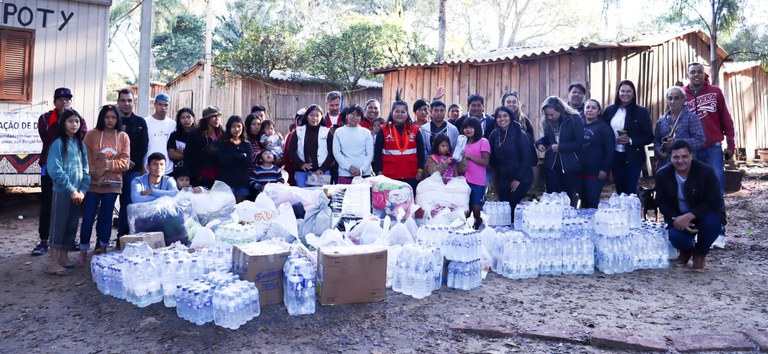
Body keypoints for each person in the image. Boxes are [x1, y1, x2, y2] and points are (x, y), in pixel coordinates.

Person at [684, 62, 735, 249]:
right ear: (688, 75)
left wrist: (731, 143)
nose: (696, 75)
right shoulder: (682, 94)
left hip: (713, 147)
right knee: (692, 191)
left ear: (703, 74)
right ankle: (697, 231)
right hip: (691, 151)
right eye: (692, 72)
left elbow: (726, 119)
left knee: (716, 189)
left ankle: (719, 232)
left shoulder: (715, 92)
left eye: (699, 72)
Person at [655, 140, 726, 271]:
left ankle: (700, 253)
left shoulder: (706, 171)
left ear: (691, 155)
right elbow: (661, 202)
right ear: (670, 157)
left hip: (702, 214)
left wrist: (689, 216)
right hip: (678, 215)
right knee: (677, 238)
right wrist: (676, 218)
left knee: (713, 224)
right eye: (676, 157)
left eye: (684, 156)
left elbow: (714, 200)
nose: (680, 160)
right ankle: (686, 251)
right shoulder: (662, 174)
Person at [34, 87, 88, 256]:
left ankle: (67, 242)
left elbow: (81, 135)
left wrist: (68, 119)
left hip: (72, 171)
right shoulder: (45, 118)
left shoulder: (78, 119)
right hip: (50, 167)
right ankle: (44, 240)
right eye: (60, 99)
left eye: (67, 99)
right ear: (54, 101)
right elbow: (49, 137)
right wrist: (61, 120)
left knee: (71, 207)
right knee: (48, 203)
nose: (64, 102)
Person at [80, 105, 130, 257]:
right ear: (102, 118)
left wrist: (106, 166)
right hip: (93, 184)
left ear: (118, 119)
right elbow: (85, 159)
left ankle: (102, 248)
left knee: (106, 218)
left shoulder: (123, 136)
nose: (110, 120)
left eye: (113, 117)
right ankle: (83, 250)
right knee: (88, 217)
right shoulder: (91, 135)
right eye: (107, 117)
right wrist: (96, 175)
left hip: (112, 184)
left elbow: (125, 162)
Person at [46, 109, 90, 275]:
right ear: (63, 123)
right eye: (70, 121)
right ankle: (53, 263)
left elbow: (86, 170)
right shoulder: (58, 144)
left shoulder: (80, 144)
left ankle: (64, 258)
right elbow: (55, 170)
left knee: (71, 226)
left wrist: (82, 191)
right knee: (58, 226)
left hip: (78, 194)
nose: (74, 125)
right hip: (63, 192)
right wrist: (71, 190)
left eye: (77, 122)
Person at [602, 80, 653, 195]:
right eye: (622, 91)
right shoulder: (610, 110)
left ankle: (633, 211)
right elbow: (603, 131)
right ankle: (622, 212)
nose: (625, 94)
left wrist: (630, 140)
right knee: (620, 190)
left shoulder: (641, 111)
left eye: (629, 91)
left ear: (633, 94)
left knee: (630, 191)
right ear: (618, 93)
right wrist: (611, 141)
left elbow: (649, 137)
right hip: (615, 155)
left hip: (634, 156)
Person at [536, 96, 584, 206]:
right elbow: (548, 139)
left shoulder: (574, 118)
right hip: (551, 164)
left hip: (570, 164)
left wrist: (561, 147)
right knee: (552, 196)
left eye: (552, 114)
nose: (549, 117)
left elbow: (579, 142)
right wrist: (539, 143)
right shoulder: (546, 121)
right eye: (547, 114)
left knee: (567, 196)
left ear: (560, 110)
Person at [489, 106, 534, 218]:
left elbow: (526, 157)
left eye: (505, 116)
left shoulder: (519, 134)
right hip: (503, 178)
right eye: (499, 116)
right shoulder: (495, 134)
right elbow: (492, 156)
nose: (502, 119)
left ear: (510, 117)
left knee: (512, 206)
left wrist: (518, 179)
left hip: (521, 177)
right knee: (504, 209)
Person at [115, 88, 148, 241]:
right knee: (107, 206)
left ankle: (123, 237)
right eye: (123, 100)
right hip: (111, 170)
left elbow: (143, 146)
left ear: (134, 102)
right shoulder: (112, 120)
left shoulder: (140, 122)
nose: (126, 104)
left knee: (128, 204)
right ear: (118, 102)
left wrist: (130, 163)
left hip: (132, 171)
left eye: (129, 100)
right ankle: (101, 241)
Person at [373, 100, 426, 191]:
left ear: (407, 114)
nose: (400, 114)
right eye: (397, 111)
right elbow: (377, 153)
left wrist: (420, 169)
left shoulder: (415, 130)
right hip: (389, 175)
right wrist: (379, 172)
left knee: (409, 202)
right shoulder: (384, 130)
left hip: (411, 175)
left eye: (403, 112)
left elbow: (421, 152)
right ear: (392, 113)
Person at [654, 86, 705, 170]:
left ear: (683, 100)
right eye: (670, 98)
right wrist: (658, 151)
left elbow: (700, 140)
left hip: (686, 164)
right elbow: (656, 140)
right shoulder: (661, 120)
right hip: (665, 165)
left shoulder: (691, 117)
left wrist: (677, 142)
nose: (672, 101)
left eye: (676, 98)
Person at [577, 99, 614, 209]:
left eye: (593, 108)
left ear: (599, 111)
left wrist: (604, 169)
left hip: (596, 171)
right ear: (583, 110)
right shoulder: (578, 125)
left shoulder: (603, 127)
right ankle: (584, 224)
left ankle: (593, 223)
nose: (590, 110)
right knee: (583, 199)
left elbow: (609, 150)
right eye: (587, 107)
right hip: (578, 170)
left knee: (592, 199)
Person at [288, 104, 335, 187]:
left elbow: (332, 153)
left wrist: (322, 168)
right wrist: (301, 164)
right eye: (311, 115)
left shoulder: (327, 132)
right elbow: (291, 150)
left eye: (317, 115)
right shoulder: (298, 131)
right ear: (307, 116)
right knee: (302, 197)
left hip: (320, 173)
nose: (314, 118)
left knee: (319, 198)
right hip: (302, 172)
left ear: (322, 116)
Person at [460, 118, 491, 229]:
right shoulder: (462, 142)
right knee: (465, 208)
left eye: (471, 127)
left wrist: (469, 157)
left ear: (477, 129)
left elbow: (485, 162)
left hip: (478, 180)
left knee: (476, 209)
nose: (468, 130)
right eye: (465, 127)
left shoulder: (483, 141)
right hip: (463, 180)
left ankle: (478, 231)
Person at [333, 105, 374, 184]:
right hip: (345, 174)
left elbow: (370, 154)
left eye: (358, 115)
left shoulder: (366, 132)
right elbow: (337, 153)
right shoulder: (339, 132)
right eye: (352, 114)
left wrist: (361, 170)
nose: (354, 117)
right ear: (346, 116)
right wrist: (349, 167)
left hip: (364, 174)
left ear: (361, 118)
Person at [184, 106, 224, 189]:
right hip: (202, 174)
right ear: (206, 118)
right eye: (213, 116)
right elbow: (188, 156)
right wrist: (197, 175)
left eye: (218, 116)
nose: (217, 119)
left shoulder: (222, 133)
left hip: (218, 174)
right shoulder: (195, 134)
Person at [217, 115, 253, 203]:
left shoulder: (246, 143)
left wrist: (234, 158)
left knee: (240, 209)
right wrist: (240, 156)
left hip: (242, 181)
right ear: (229, 128)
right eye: (233, 126)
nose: (236, 129)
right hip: (228, 181)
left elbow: (248, 162)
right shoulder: (223, 142)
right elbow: (223, 161)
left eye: (239, 126)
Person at [144, 93, 176, 175]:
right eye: (160, 105)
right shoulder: (145, 122)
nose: (163, 108)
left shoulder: (173, 124)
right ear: (154, 105)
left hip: (167, 169)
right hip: (148, 169)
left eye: (166, 105)